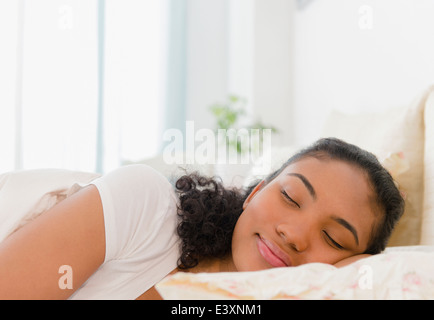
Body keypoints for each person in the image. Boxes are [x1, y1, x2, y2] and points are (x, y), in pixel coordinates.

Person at [0, 137, 404, 299]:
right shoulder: (146, 207)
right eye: (290, 197)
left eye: (333, 239)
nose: (294, 233)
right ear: (256, 193)